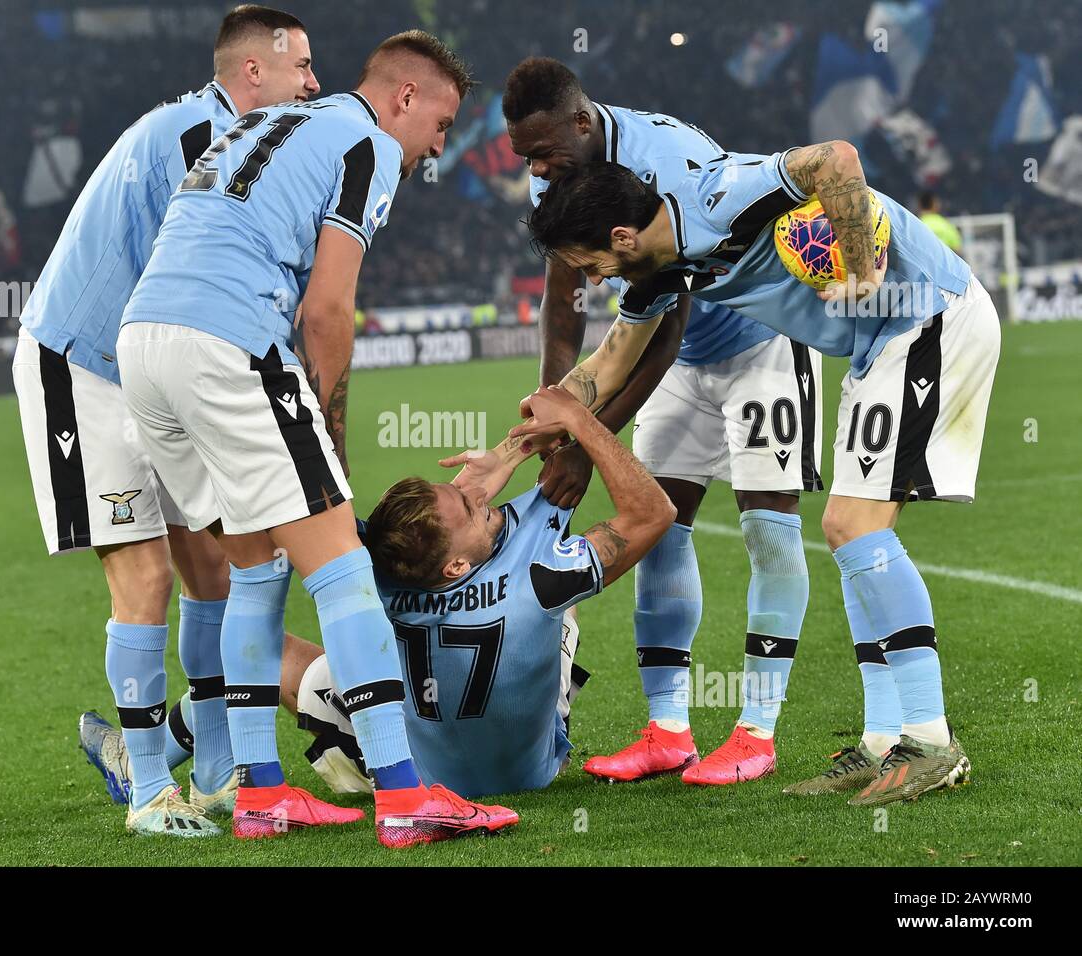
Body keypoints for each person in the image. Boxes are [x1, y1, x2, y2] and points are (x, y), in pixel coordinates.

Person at [117, 30, 519, 847]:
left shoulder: (262, 123)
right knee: (343, 571)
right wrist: (328, 427)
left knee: (255, 565)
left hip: (146, 344)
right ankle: (406, 797)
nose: (436, 147)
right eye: (440, 125)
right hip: (228, 343)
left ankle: (261, 793)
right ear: (403, 97)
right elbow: (327, 310)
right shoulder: (366, 144)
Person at [520, 140, 998, 807]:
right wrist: (529, 432)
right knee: (851, 534)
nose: (594, 279)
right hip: (875, 346)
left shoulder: (720, 198)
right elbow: (609, 361)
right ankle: (888, 740)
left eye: (592, 263)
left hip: (929, 320)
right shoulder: (663, 267)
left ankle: (932, 739)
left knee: (852, 530)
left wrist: (860, 269)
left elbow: (836, 158)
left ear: (623, 236)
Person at [13, 4, 319, 837]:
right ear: (252, 72)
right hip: (85, 365)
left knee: (213, 570)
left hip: (155, 366)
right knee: (144, 575)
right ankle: (151, 787)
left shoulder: (234, 144)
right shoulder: (197, 134)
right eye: (302, 68)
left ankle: (218, 772)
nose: (314, 84)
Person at [83, 384, 675, 802]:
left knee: (279, 654)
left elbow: (296, 516)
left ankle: (151, 750)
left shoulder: (376, 566)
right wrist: (576, 420)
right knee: (562, 622)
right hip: (535, 769)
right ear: (456, 565)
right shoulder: (543, 573)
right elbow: (652, 512)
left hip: (409, 768)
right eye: (470, 504)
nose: (482, 496)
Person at [502, 56, 822, 786]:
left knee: (767, 526)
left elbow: (663, 323)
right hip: (673, 364)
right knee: (660, 526)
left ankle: (757, 734)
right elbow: (565, 302)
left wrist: (585, 442)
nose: (538, 170)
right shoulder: (557, 165)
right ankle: (669, 731)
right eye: (527, 158)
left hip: (758, 341)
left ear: (582, 123)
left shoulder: (660, 167)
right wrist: (555, 411)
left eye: (545, 153)